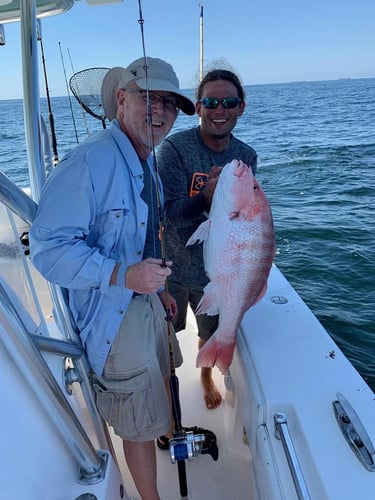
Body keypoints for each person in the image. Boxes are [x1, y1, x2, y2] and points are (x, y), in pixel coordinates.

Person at [29, 57, 196, 500]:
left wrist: (157, 291)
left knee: (164, 373)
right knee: (137, 418)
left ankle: (166, 432)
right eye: (149, 97)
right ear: (121, 100)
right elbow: (49, 251)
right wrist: (124, 276)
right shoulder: (90, 162)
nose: (160, 111)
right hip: (113, 312)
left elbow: (143, 238)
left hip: (145, 300)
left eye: (170, 103)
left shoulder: (145, 162)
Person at [157, 69, 257, 410]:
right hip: (169, 269)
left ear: (241, 107)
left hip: (216, 273)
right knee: (166, 341)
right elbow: (165, 214)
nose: (220, 110)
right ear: (198, 107)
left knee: (208, 331)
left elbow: (246, 218)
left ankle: (206, 376)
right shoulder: (174, 150)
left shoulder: (246, 156)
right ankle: (169, 399)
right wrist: (205, 200)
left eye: (229, 102)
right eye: (211, 102)